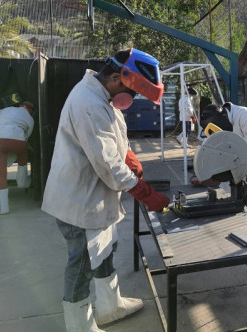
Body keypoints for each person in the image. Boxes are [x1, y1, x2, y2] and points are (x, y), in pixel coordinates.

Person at [41, 48, 170, 332]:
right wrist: (146, 194)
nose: (132, 99)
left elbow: (113, 143)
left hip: (95, 197)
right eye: (132, 92)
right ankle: (79, 326)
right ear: (115, 77)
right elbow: (108, 164)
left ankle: (110, 307)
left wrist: (130, 158)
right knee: (82, 265)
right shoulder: (89, 103)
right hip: (80, 202)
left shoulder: (103, 96)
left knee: (105, 251)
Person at [200, 102, 247, 217]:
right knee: (236, 202)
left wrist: (233, 149)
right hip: (236, 166)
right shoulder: (216, 121)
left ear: (224, 118)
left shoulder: (245, 114)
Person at [0, 99, 34, 214]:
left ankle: (3, 208)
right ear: (30, 111)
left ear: (20, 106)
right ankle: (22, 182)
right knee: (23, 155)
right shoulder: (30, 119)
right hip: (18, 141)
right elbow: (27, 136)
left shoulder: (7, 109)